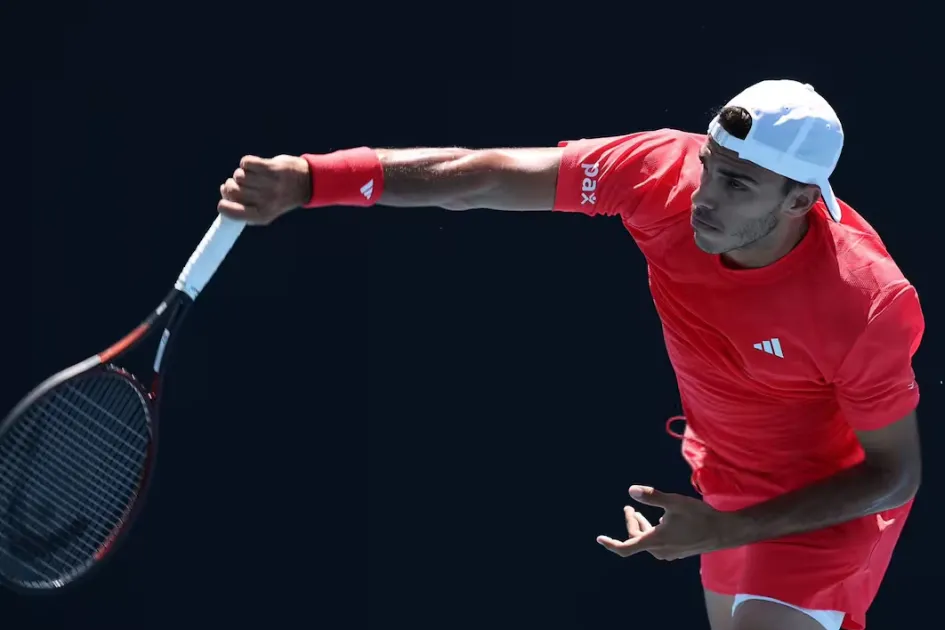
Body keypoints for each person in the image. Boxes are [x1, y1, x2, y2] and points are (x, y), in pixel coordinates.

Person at [216, 79, 925, 630]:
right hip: (719, 488)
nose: (704, 196)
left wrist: (729, 528)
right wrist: (313, 180)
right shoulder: (659, 175)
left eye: (737, 185)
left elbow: (894, 474)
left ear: (800, 198)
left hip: (822, 509)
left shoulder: (864, 302)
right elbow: (484, 174)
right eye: (711, 167)